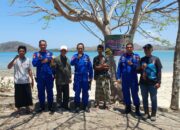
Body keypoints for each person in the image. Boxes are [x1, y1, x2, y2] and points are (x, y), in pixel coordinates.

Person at [7, 45, 33, 117]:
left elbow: (30, 70)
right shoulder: (15, 59)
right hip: (18, 81)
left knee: (27, 95)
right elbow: (8, 67)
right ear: (18, 52)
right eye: (20, 51)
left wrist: (32, 79)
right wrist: (14, 59)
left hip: (26, 80)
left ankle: (27, 108)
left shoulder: (28, 59)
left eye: (23, 51)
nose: (21, 52)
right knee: (18, 97)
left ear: (25, 52)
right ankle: (18, 110)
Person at [139, 44, 162, 121]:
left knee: (153, 99)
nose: (146, 51)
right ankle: (146, 113)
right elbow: (137, 71)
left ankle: (153, 114)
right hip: (143, 83)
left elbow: (159, 72)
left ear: (151, 50)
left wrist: (159, 82)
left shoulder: (156, 59)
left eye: (148, 49)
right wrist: (141, 67)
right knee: (144, 99)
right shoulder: (142, 59)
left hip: (153, 83)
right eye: (145, 49)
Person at [116, 42, 141, 116]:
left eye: (130, 47)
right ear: (126, 48)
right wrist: (118, 77)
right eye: (128, 47)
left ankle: (137, 108)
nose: (129, 48)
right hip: (124, 79)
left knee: (134, 93)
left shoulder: (136, 56)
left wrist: (132, 64)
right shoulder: (122, 57)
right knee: (126, 93)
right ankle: (128, 107)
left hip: (133, 79)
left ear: (133, 48)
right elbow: (119, 68)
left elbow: (139, 68)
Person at [32, 40, 54, 113]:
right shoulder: (36, 54)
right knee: (41, 92)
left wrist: (54, 73)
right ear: (39, 45)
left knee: (50, 92)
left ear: (46, 45)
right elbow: (34, 63)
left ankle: (50, 106)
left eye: (44, 45)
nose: (43, 46)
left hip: (49, 76)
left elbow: (52, 64)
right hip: (40, 76)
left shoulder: (50, 53)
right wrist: (42, 61)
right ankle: (42, 107)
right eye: (41, 45)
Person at [70, 43, 93, 112]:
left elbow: (90, 67)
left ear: (83, 49)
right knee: (77, 92)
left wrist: (91, 76)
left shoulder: (87, 56)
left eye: (81, 48)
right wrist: (77, 58)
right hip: (77, 77)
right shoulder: (74, 56)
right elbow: (71, 63)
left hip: (85, 77)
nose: (80, 50)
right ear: (77, 49)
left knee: (85, 92)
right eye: (79, 48)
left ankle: (85, 106)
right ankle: (77, 106)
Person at [53, 45, 72, 110]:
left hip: (66, 80)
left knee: (66, 94)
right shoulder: (56, 59)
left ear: (66, 51)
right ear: (60, 51)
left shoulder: (68, 59)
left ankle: (65, 106)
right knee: (59, 94)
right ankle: (59, 107)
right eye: (62, 50)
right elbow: (53, 67)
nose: (63, 51)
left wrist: (70, 77)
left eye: (65, 50)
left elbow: (69, 69)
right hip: (59, 80)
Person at [93, 44, 110, 109]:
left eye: (101, 49)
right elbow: (95, 67)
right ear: (97, 50)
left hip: (105, 76)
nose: (99, 50)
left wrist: (100, 67)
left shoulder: (105, 58)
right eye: (98, 49)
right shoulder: (95, 58)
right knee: (98, 91)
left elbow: (107, 67)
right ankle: (97, 104)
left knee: (105, 90)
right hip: (98, 76)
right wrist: (102, 66)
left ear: (103, 50)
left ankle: (105, 104)